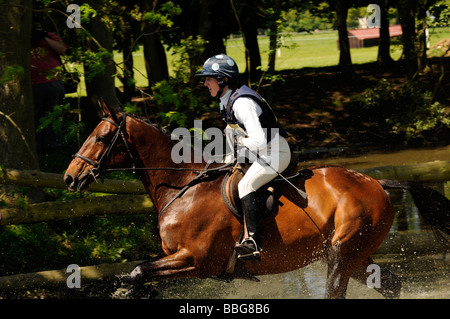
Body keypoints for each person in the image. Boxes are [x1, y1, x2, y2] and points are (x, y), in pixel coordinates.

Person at [195, 54, 291, 263]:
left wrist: (240, 145)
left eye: (209, 78)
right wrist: (229, 159)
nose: (205, 83)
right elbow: (232, 130)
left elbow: (258, 140)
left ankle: (253, 243)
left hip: (275, 153)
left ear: (223, 80)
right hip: (259, 153)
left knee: (246, 186)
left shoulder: (242, 104)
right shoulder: (227, 100)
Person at [31, 19, 67, 152]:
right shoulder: (21, 39)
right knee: (36, 116)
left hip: (53, 82)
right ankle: (37, 147)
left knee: (54, 114)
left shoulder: (49, 36)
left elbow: (62, 49)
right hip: (32, 84)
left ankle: (54, 146)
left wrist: (45, 37)